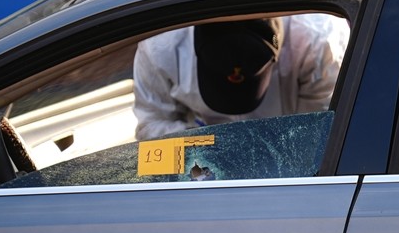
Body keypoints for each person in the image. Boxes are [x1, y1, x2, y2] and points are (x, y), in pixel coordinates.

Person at [133, 13, 349, 140]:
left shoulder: (318, 45)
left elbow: (318, 133)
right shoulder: (160, 48)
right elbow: (151, 124)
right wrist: (201, 145)